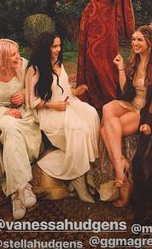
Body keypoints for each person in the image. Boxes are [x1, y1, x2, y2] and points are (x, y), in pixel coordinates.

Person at [50, 0, 137, 111]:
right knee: (89, 59)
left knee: (105, 61)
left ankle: (108, 96)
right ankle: (90, 94)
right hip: (90, 23)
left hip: (107, 27)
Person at [101, 24, 152, 207]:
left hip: (145, 110)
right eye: (133, 39)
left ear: (150, 41)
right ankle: (120, 166)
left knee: (104, 131)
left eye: (139, 39)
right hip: (132, 105)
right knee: (108, 109)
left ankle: (123, 180)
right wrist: (121, 68)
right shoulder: (135, 60)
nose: (135, 43)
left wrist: (148, 122)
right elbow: (127, 91)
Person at [25, 31, 100, 203]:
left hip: (68, 103)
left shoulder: (58, 62)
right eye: (54, 46)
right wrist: (53, 105)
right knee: (78, 129)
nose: (58, 49)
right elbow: (32, 101)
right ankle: (80, 181)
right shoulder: (34, 69)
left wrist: (75, 91)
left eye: (59, 45)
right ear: (45, 47)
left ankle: (87, 167)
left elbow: (64, 89)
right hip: (49, 111)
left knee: (92, 115)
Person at [0, 39, 41, 219]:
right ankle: (23, 187)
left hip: (24, 114)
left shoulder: (24, 65)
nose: (18, 57)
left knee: (12, 134)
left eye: (18, 52)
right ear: (1, 58)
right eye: (13, 54)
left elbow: (35, 87)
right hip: (0, 115)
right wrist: (5, 111)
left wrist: (25, 92)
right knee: (10, 125)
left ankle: (14, 195)